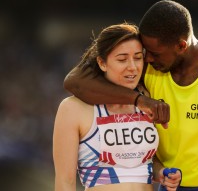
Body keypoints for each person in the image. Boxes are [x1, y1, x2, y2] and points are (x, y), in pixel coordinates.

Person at [63, 0, 198, 191]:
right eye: (145, 52)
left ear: (181, 46)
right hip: (172, 184)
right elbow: (74, 82)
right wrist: (140, 100)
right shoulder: (149, 68)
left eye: (154, 53)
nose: (147, 59)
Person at [53, 23, 181, 191]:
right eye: (122, 59)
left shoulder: (148, 99)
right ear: (102, 63)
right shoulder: (73, 108)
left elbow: (143, 162)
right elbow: (65, 182)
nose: (133, 67)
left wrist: (161, 172)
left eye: (137, 57)